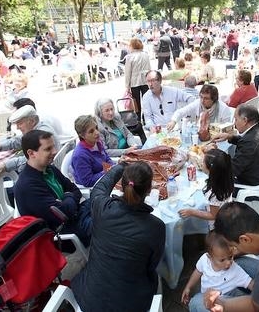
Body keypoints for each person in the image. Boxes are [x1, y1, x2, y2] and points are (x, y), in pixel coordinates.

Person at [72, 162, 165, 312]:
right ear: (149, 190)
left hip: (90, 299)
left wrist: (120, 167)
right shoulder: (156, 226)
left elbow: (99, 188)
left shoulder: (102, 208)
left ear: (122, 185)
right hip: (130, 303)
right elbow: (151, 265)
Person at [14, 130, 92, 245]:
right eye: (48, 149)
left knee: (106, 203)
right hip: (60, 235)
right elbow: (63, 214)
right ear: (31, 153)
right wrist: (69, 197)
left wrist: (66, 199)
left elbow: (75, 190)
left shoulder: (50, 169)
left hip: (75, 217)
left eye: (53, 147)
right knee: (108, 223)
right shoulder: (27, 185)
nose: (55, 151)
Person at [182, 231, 254, 311]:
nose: (228, 263)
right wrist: (188, 287)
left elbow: (250, 283)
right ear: (210, 257)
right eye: (222, 260)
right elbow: (198, 271)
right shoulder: (204, 260)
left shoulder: (235, 270)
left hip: (228, 298)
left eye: (230, 257)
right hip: (207, 295)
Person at [0, 105, 60, 180]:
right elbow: (20, 140)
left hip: (46, 173)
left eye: (20, 123)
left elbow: (33, 160)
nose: (17, 127)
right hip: (45, 168)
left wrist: (5, 165)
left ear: (32, 121)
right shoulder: (36, 128)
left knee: (3, 179)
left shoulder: (42, 134)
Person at [212, 105, 259, 186]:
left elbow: (232, 170)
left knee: (212, 178)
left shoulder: (249, 143)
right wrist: (230, 137)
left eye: (236, 119)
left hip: (250, 183)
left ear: (245, 120)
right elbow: (248, 143)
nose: (234, 124)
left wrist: (214, 153)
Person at [178, 149, 234, 229]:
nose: (201, 162)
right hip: (225, 209)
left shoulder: (215, 192)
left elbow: (213, 215)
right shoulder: (225, 178)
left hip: (217, 225)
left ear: (210, 169)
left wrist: (191, 212)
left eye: (203, 161)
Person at [71, 115, 114, 187]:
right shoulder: (79, 155)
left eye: (96, 128)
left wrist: (113, 166)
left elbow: (107, 158)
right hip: (92, 188)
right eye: (91, 131)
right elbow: (88, 182)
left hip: (105, 178)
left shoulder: (97, 142)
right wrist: (108, 171)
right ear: (82, 135)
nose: (97, 132)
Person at [167, 85, 233, 131]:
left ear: (214, 99)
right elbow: (181, 112)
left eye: (206, 98)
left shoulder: (224, 109)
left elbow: (227, 128)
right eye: (201, 97)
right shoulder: (198, 103)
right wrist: (173, 121)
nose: (202, 101)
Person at [124, 37, 151, 119]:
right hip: (145, 80)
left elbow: (128, 72)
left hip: (134, 81)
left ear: (132, 45)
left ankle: (138, 119)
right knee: (146, 100)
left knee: (136, 102)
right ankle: (146, 117)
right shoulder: (146, 55)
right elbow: (149, 68)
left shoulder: (129, 57)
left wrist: (127, 86)